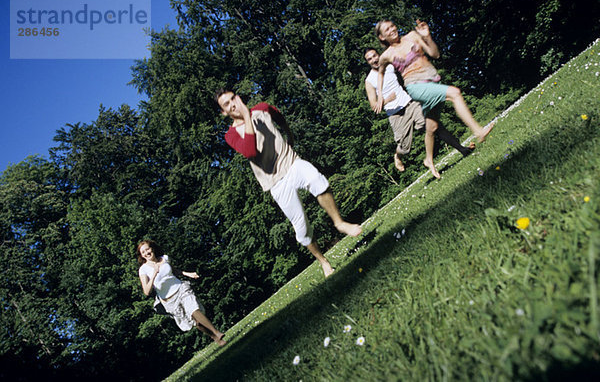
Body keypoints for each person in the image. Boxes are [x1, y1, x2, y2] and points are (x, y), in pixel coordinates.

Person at [215, 89, 362, 277]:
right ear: (224, 113)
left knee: (316, 179)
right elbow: (251, 152)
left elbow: (279, 116)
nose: (233, 104)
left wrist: (289, 135)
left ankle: (340, 223)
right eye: (227, 104)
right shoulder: (232, 135)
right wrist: (246, 116)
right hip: (275, 182)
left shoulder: (262, 109)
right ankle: (323, 261)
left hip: (291, 162)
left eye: (233, 98)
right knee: (302, 227)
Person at [374, 20, 494, 152]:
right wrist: (380, 96)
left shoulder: (412, 36)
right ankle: (478, 131)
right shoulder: (386, 55)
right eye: (387, 30)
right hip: (415, 86)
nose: (392, 29)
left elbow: (434, 54)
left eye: (392, 26)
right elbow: (380, 73)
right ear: (382, 37)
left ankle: (428, 161)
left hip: (431, 81)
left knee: (431, 127)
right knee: (454, 93)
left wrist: (427, 37)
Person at [364, 47, 475, 176]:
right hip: (396, 115)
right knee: (405, 148)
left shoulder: (389, 66)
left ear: (379, 55)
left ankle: (462, 149)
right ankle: (398, 156)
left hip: (410, 104)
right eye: (369, 59)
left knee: (434, 126)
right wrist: (388, 99)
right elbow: (374, 105)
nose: (373, 60)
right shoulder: (369, 80)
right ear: (368, 62)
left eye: (374, 56)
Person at [137, 240, 227, 346]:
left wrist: (188, 274)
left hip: (180, 289)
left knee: (193, 309)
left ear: (152, 248)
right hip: (169, 301)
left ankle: (217, 332)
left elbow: (174, 271)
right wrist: (154, 274)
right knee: (195, 322)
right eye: (143, 252)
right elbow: (146, 291)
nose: (146, 253)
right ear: (141, 255)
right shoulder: (143, 269)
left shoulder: (164, 258)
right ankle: (214, 337)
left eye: (147, 249)